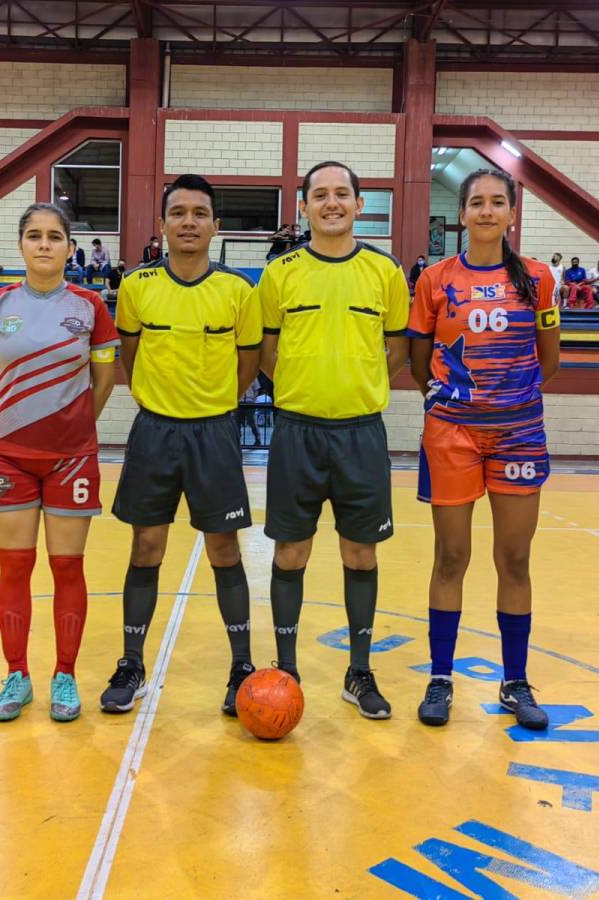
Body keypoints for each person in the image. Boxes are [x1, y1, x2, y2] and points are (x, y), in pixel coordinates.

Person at [101, 173, 261, 717]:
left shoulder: (238, 291)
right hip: (155, 432)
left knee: (224, 549)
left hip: (214, 432)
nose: (189, 221)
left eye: (199, 213)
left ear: (215, 225)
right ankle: (130, 663)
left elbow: (248, 365)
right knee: (146, 547)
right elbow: (129, 355)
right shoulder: (136, 288)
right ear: (163, 223)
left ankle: (241, 666)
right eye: (179, 213)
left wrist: (213, 404)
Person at [256, 160, 410, 719]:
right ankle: (287, 669)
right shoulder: (281, 272)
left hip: (361, 433)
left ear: (358, 204)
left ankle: (360, 671)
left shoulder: (385, 272)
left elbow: (395, 351)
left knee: (360, 552)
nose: (331, 203)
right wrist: (305, 386)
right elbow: (265, 353)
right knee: (290, 552)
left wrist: (355, 384)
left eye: (342, 193)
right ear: (303, 207)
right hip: (297, 430)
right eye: (319, 195)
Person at [408, 167, 559, 732]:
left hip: (519, 431)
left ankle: (514, 681)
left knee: (514, 559)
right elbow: (419, 363)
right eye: (477, 202)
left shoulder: (538, 280)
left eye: (498, 202)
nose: (488, 211)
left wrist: (508, 400)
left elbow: (551, 359)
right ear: (463, 213)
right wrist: (454, 401)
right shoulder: (434, 279)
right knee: (451, 558)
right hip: (451, 433)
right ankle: (441, 677)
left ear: (512, 213)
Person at [0, 202, 119, 724]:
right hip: (7, 454)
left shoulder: (90, 305)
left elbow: (104, 381)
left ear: (70, 248)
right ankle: (16, 675)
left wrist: (72, 424)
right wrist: (18, 421)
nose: (44, 244)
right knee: (14, 565)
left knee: (66, 567)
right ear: (20, 245)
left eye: (55, 236)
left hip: (72, 458)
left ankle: (65, 674)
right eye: (34, 235)